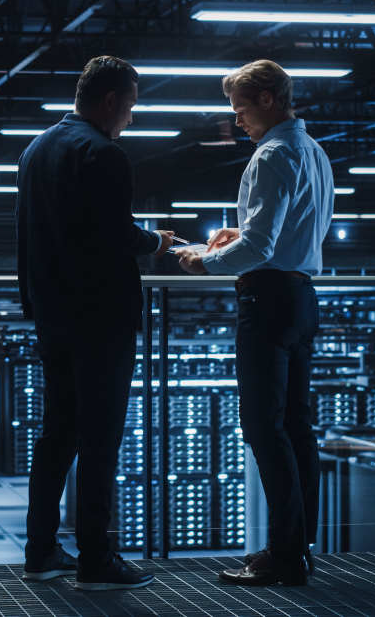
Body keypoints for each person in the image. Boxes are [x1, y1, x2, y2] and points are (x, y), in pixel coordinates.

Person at [16, 55, 174, 591]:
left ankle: (40, 550)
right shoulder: (104, 154)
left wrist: (34, 304)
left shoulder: (34, 150)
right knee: (101, 438)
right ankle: (96, 560)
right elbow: (116, 236)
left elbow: (27, 239)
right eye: (129, 108)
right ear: (111, 101)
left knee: (57, 433)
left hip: (52, 316)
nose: (129, 118)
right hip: (101, 319)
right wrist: (157, 241)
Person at [177, 59, 334, 586]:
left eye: (241, 110)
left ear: (267, 99)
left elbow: (263, 247)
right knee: (296, 426)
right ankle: (298, 548)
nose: (236, 121)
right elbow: (281, 234)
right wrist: (235, 234)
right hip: (302, 298)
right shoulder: (314, 152)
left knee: (263, 428)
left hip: (266, 302)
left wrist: (206, 261)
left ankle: (285, 556)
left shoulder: (271, 155)